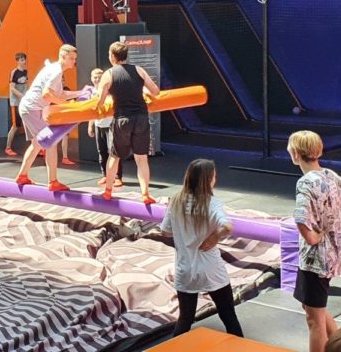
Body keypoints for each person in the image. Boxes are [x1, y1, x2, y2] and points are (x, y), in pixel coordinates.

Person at [289, 130, 341, 352]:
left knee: (314, 320)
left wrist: (312, 237)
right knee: (312, 307)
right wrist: (334, 215)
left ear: (296, 154)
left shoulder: (305, 182)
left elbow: (301, 218)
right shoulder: (329, 174)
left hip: (316, 259)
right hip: (332, 254)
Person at [160, 158, 243, 337]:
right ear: (208, 180)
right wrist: (215, 236)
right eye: (214, 176)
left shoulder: (176, 201)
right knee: (228, 315)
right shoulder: (212, 203)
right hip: (211, 268)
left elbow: (165, 232)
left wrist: (183, 240)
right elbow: (227, 226)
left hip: (185, 268)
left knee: (185, 319)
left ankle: (173, 348)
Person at [96, 41, 160, 204]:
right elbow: (156, 91)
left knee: (114, 156)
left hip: (122, 119)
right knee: (142, 158)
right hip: (141, 117)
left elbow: (99, 102)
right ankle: (145, 194)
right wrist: (143, 91)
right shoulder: (139, 70)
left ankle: (108, 191)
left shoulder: (108, 74)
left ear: (112, 56)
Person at [15, 44, 79, 192]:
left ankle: (22, 175)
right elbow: (47, 95)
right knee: (51, 142)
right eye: (71, 58)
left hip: (29, 107)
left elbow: (60, 94)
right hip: (32, 108)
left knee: (37, 144)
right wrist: (65, 105)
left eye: (75, 58)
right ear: (63, 57)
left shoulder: (55, 70)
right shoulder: (56, 71)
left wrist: (80, 93)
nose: (74, 61)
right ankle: (53, 181)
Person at [87, 68, 123, 187]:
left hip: (111, 124)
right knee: (101, 151)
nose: (97, 80)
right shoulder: (91, 93)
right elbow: (91, 111)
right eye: (95, 77)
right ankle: (105, 175)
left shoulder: (110, 90)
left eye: (99, 77)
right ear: (91, 78)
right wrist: (90, 126)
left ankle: (117, 177)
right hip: (99, 125)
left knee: (114, 151)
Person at [5, 52, 28, 157]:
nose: (24, 61)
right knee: (15, 126)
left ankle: (37, 147)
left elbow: (25, 86)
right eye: (22, 60)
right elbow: (12, 88)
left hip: (24, 102)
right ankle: (8, 148)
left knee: (29, 124)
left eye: (24, 59)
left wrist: (27, 96)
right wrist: (22, 96)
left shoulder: (25, 72)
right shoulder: (14, 72)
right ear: (17, 61)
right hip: (15, 103)